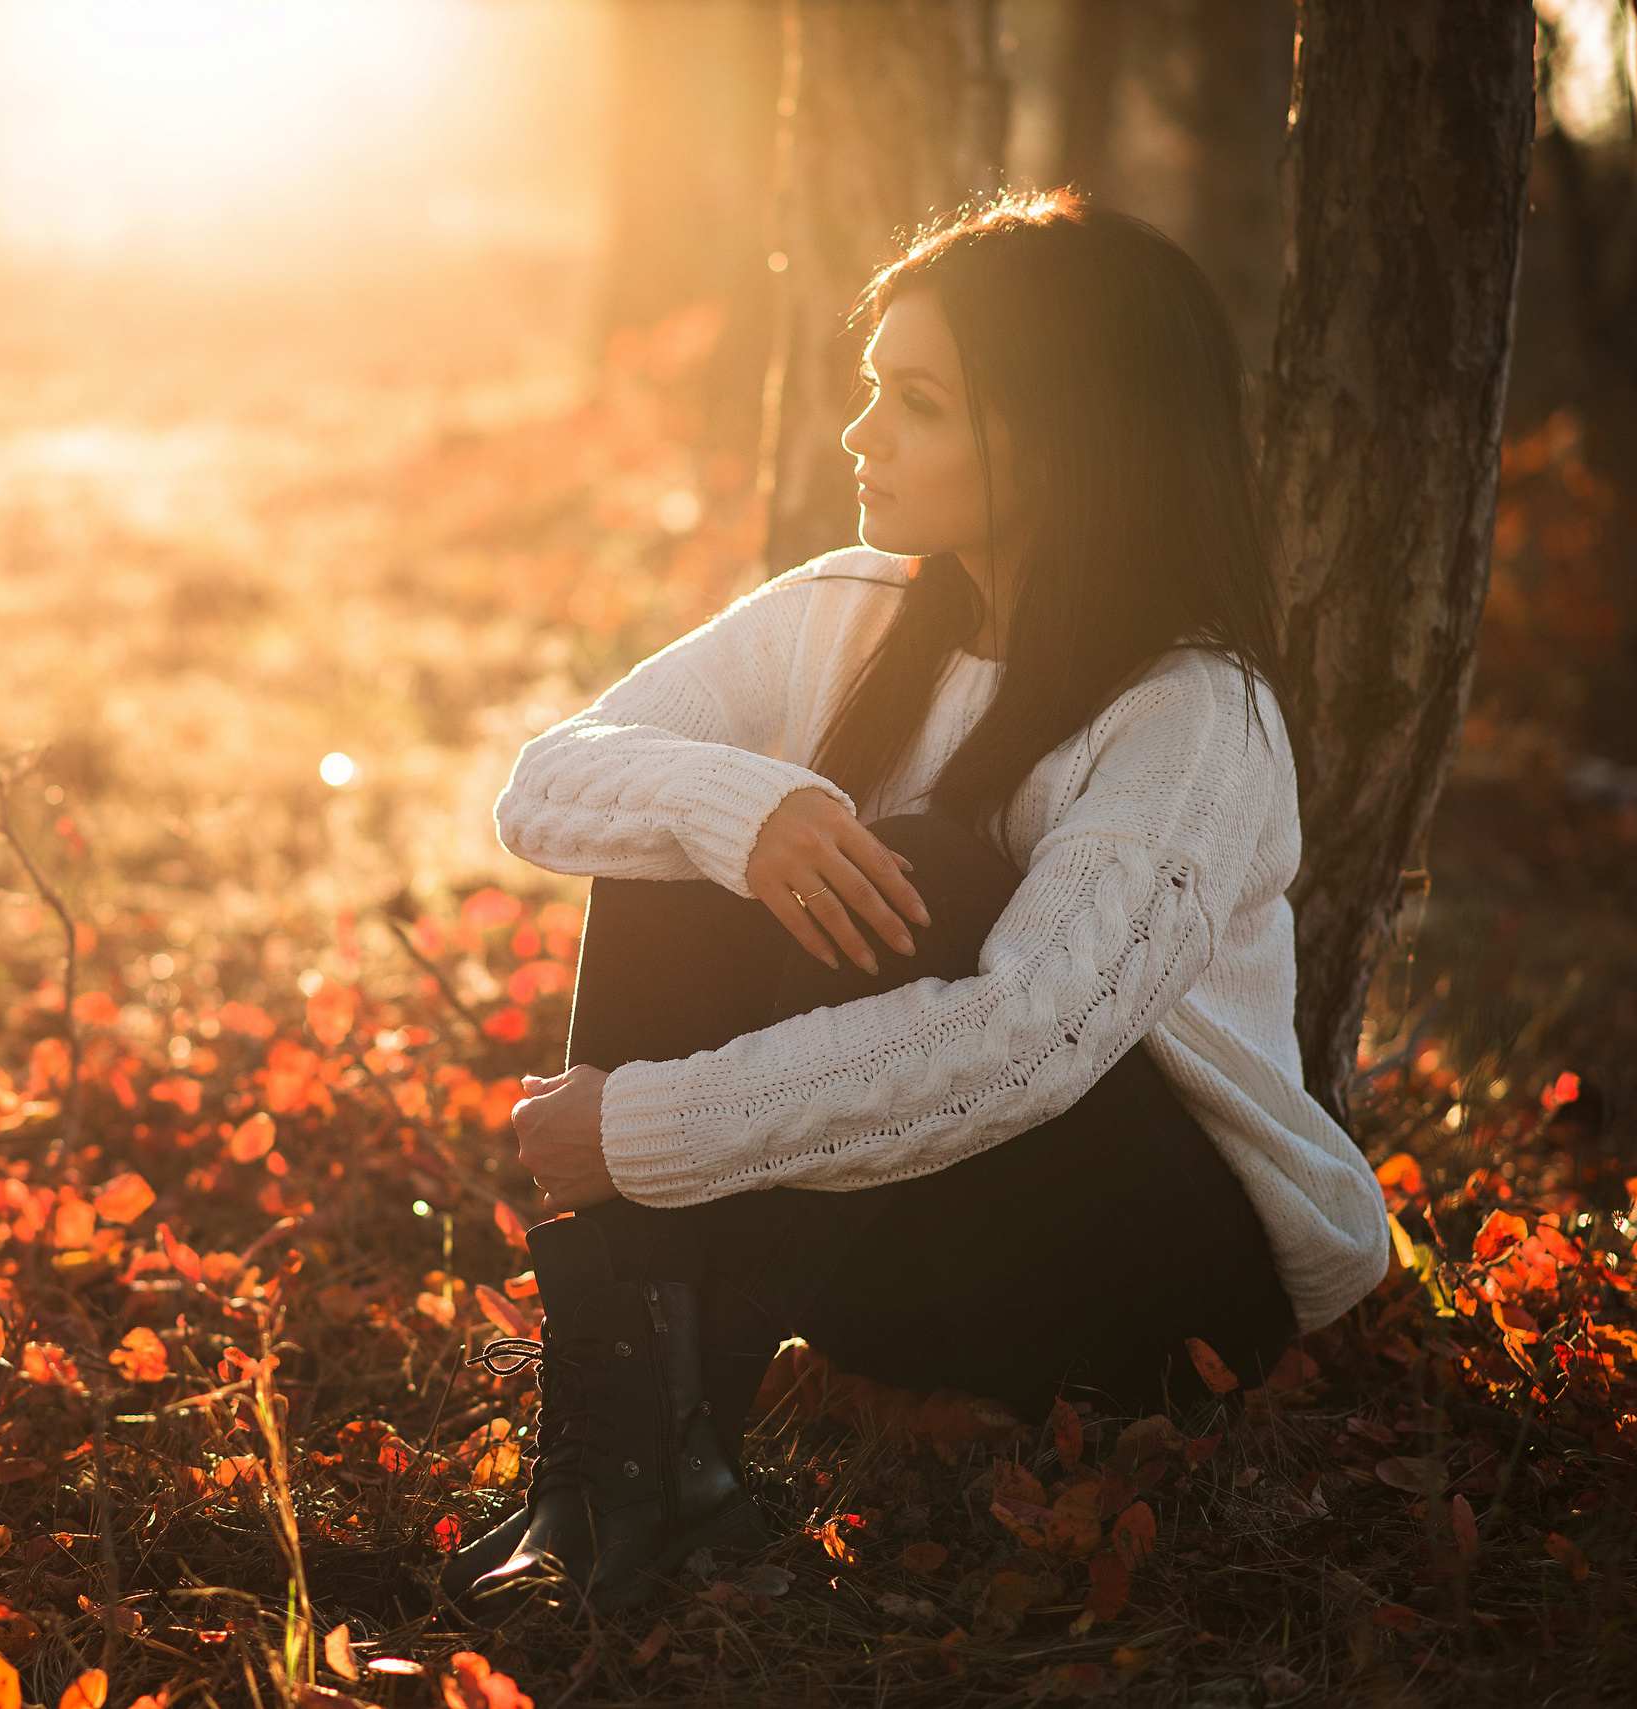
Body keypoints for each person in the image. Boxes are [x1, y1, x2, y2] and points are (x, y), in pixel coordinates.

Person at [442, 188, 1393, 1615]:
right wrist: (745, 809)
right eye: (874, 389)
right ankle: (625, 1465)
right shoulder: (852, 608)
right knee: (698, 829)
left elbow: (1022, 1043)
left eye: (920, 402)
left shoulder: (1196, 717)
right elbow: (550, 781)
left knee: (931, 870)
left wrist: (640, 1133)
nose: (862, 433)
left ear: (1065, 432)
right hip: (893, 1238)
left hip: (1144, 1287)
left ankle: (656, 1449)